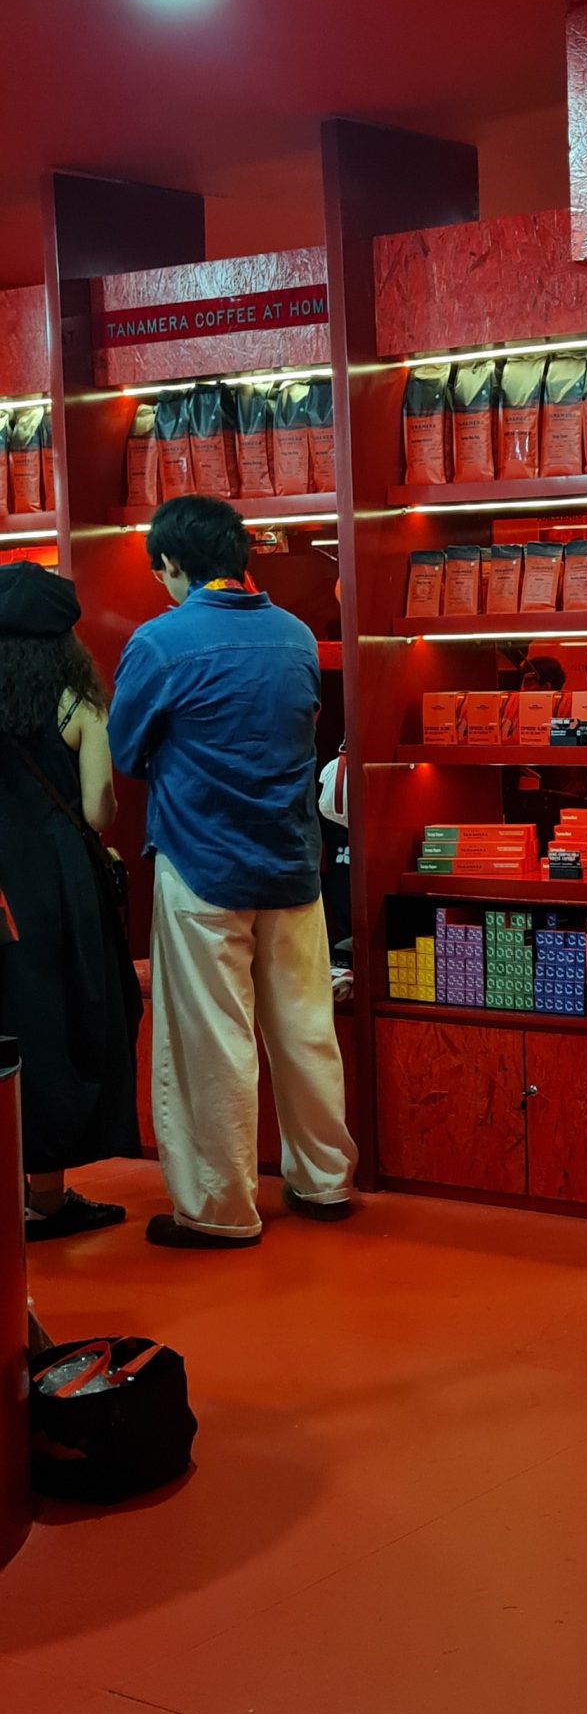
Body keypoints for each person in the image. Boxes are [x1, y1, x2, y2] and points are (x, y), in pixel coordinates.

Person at [108, 495, 357, 1246]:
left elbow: (126, 753)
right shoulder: (296, 636)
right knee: (307, 1031)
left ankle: (220, 1209)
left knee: (211, 1041)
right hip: (292, 862)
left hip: (201, 861)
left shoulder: (160, 643)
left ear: (171, 563)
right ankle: (324, 1181)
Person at [0, 564, 141, 1237]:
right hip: (59, 886)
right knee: (55, 1024)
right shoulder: (77, 705)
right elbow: (97, 809)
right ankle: (47, 1198)